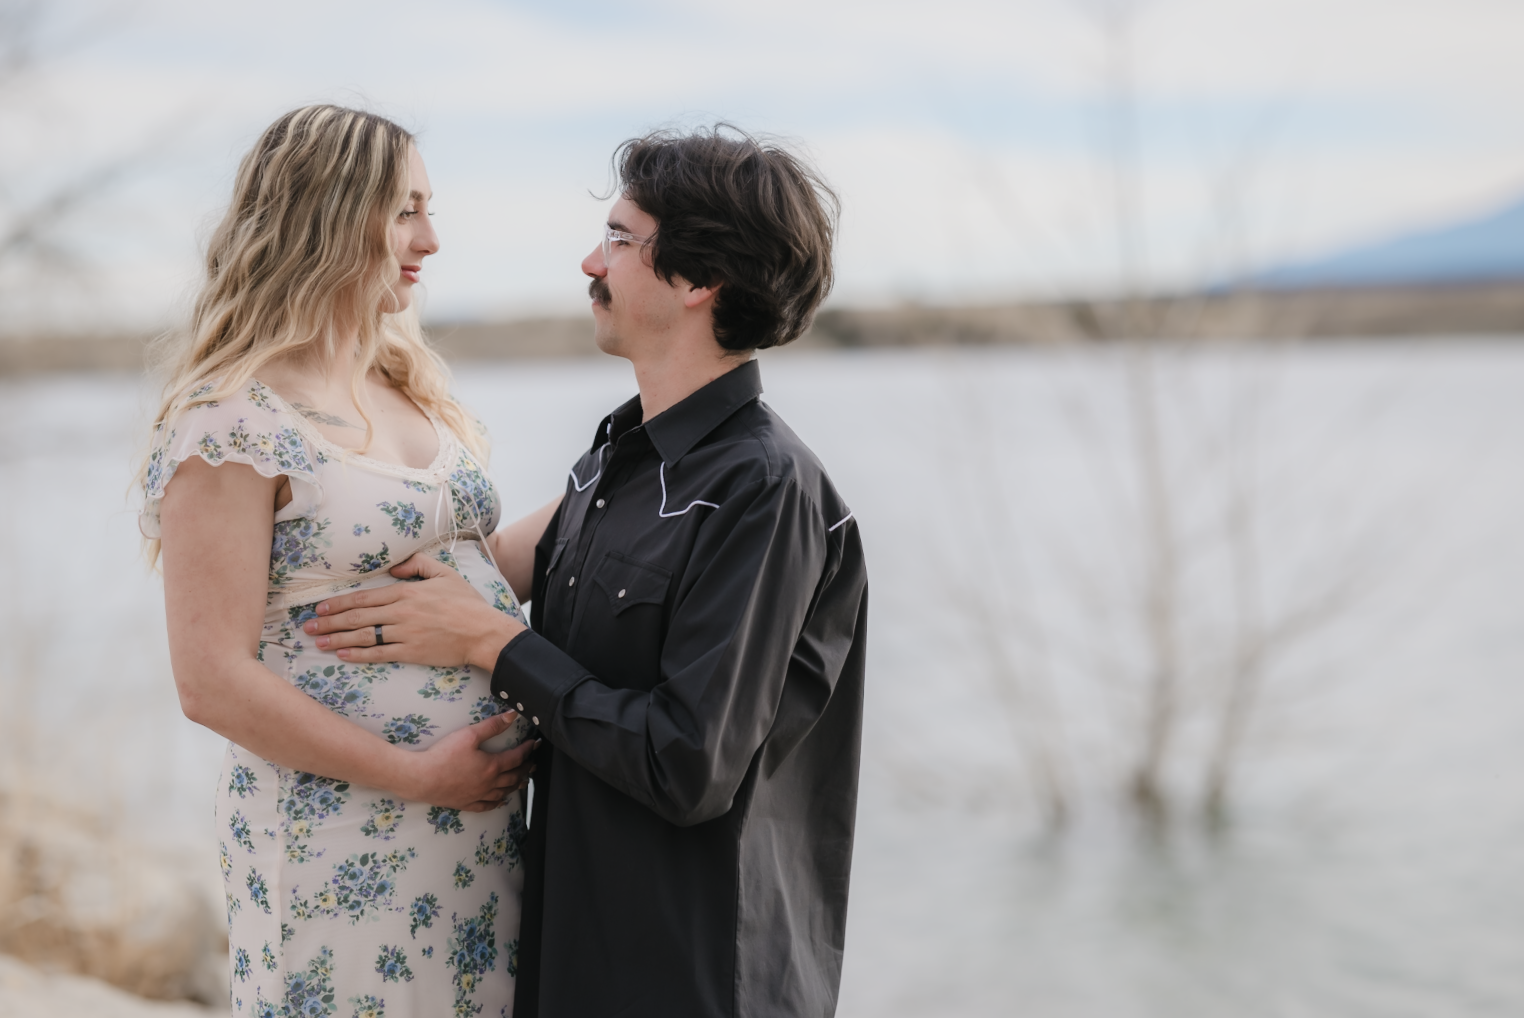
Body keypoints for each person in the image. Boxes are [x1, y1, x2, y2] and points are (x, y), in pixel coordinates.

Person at [304, 126, 870, 1017]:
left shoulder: (766, 491)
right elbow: (475, 574)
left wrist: (495, 646)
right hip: (574, 954)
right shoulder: (613, 462)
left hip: (691, 982)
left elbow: (687, 764)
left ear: (698, 278)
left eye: (618, 239)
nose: (589, 263)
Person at [140, 105, 557, 1018]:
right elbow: (210, 680)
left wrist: (616, 478)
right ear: (327, 213)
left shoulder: (407, 388)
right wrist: (418, 776)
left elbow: (476, 577)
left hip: (475, 833)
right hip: (340, 831)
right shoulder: (232, 421)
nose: (431, 239)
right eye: (406, 211)